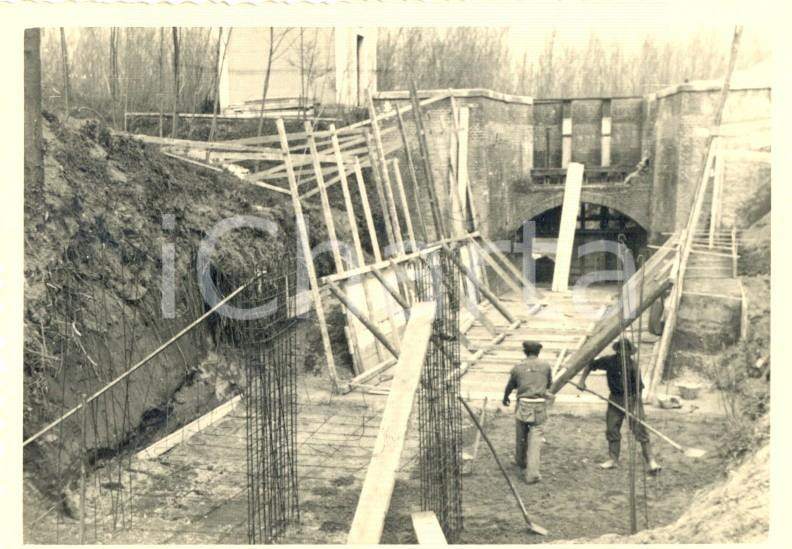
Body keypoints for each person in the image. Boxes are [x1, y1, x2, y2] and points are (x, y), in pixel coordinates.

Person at [578, 338, 661, 473]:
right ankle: (613, 460)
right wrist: (582, 381)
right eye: (621, 351)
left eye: (626, 351)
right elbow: (590, 365)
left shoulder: (633, 366)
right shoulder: (609, 361)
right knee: (612, 428)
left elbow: (639, 389)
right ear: (617, 351)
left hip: (632, 399)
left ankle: (651, 461)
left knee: (640, 429)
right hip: (615, 399)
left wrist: (636, 407)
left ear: (629, 352)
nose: (623, 354)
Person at [503, 340, 554, 484]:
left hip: (523, 405)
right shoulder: (545, 365)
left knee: (521, 435)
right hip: (539, 406)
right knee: (535, 441)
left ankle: (520, 461)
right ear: (538, 352)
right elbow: (549, 385)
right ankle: (532, 474)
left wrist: (505, 397)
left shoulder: (518, 367)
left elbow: (510, 385)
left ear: (525, 351)